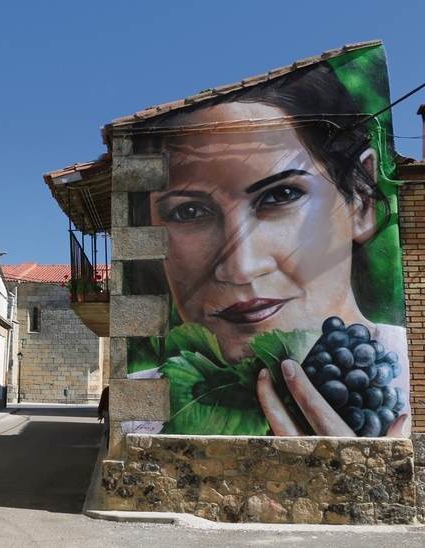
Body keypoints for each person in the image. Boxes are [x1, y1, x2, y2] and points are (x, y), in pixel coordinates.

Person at [141, 61, 409, 437]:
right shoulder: (143, 415)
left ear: (361, 199)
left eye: (281, 195)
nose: (240, 267)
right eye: (189, 211)